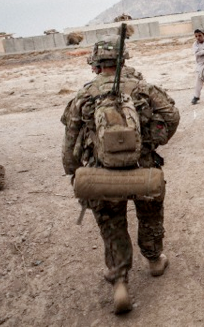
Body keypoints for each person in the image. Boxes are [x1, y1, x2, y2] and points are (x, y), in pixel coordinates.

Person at [61, 35, 180, 314]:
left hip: (101, 174)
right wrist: (152, 140)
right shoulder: (143, 88)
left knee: (112, 224)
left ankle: (120, 282)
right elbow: (172, 117)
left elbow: (70, 139)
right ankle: (153, 260)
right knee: (149, 214)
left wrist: (73, 171)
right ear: (123, 61)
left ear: (95, 65)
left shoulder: (84, 95)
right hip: (144, 168)